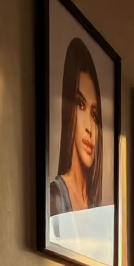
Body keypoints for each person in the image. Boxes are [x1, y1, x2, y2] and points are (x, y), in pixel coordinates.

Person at [49, 37, 102, 217]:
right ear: (68, 112)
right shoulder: (55, 196)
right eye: (80, 105)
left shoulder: (97, 206)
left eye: (94, 115)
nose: (90, 128)